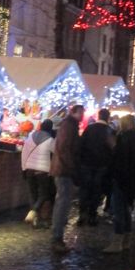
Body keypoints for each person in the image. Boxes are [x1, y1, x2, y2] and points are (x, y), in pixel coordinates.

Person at [103, 114, 135, 253]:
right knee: (125, 210)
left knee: (119, 209)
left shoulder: (124, 138)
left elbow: (121, 160)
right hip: (132, 180)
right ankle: (126, 240)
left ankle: (117, 241)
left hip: (121, 179)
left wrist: (113, 147)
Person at [49, 104, 83, 253]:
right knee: (62, 203)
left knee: (63, 202)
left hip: (64, 169)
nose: (82, 115)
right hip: (63, 170)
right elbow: (64, 148)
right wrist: (72, 168)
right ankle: (56, 238)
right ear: (73, 112)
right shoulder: (69, 126)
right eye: (81, 112)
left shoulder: (70, 125)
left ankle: (58, 236)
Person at [78, 107, 115, 226]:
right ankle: (92, 215)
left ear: (99, 116)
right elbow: (112, 148)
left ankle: (82, 213)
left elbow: (81, 145)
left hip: (86, 164)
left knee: (85, 189)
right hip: (101, 165)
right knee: (96, 189)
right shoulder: (109, 130)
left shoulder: (89, 128)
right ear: (108, 118)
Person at [21, 119, 55, 228]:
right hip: (43, 171)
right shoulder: (50, 140)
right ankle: (33, 211)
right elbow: (55, 154)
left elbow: (24, 153)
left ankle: (35, 220)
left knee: (33, 194)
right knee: (44, 194)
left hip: (29, 169)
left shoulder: (30, 137)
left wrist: (24, 168)